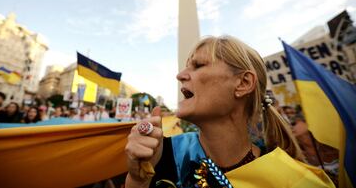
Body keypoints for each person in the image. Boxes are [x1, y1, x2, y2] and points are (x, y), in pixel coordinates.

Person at [125, 36, 335, 188]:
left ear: (243, 83)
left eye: (198, 65)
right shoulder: (161, 155)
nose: (180, 75)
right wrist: (138, 180)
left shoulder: (298, 182)